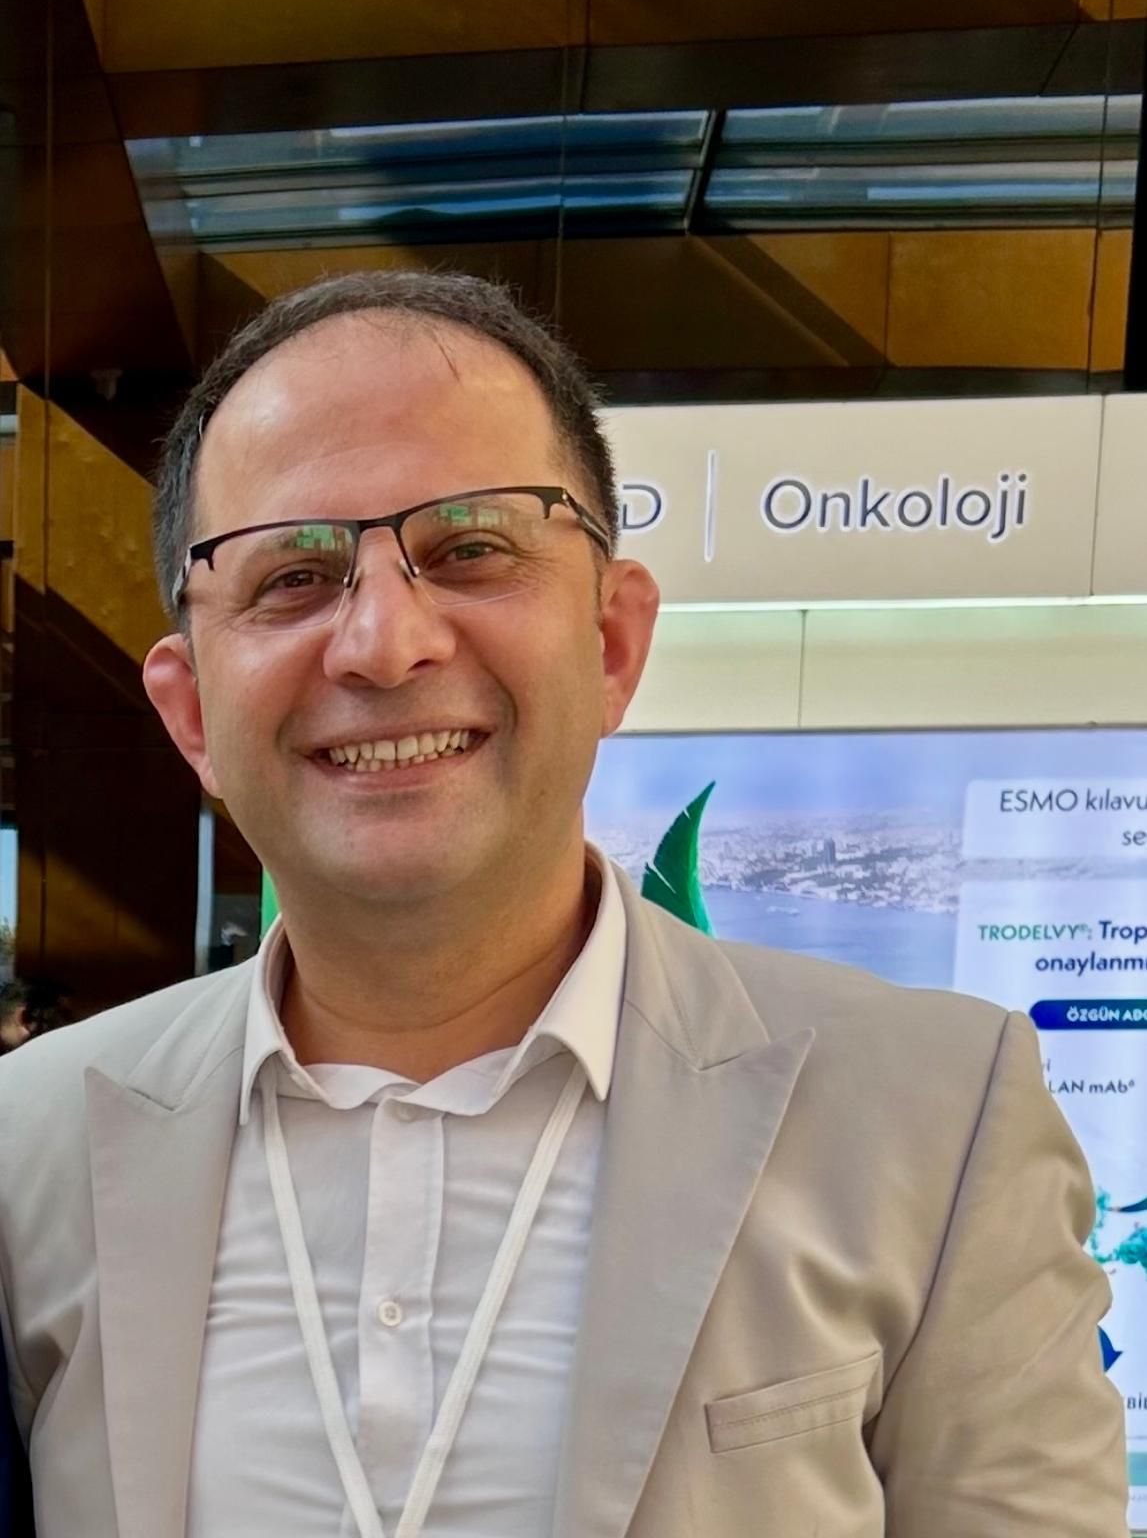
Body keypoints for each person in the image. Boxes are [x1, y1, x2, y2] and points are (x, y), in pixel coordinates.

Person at [0, 272, 1129, 1538]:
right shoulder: (32, 1145)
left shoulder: (933, 1118)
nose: (384, 643)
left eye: (470, 549)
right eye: (294, 575)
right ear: (192, 712)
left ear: (610, 644)